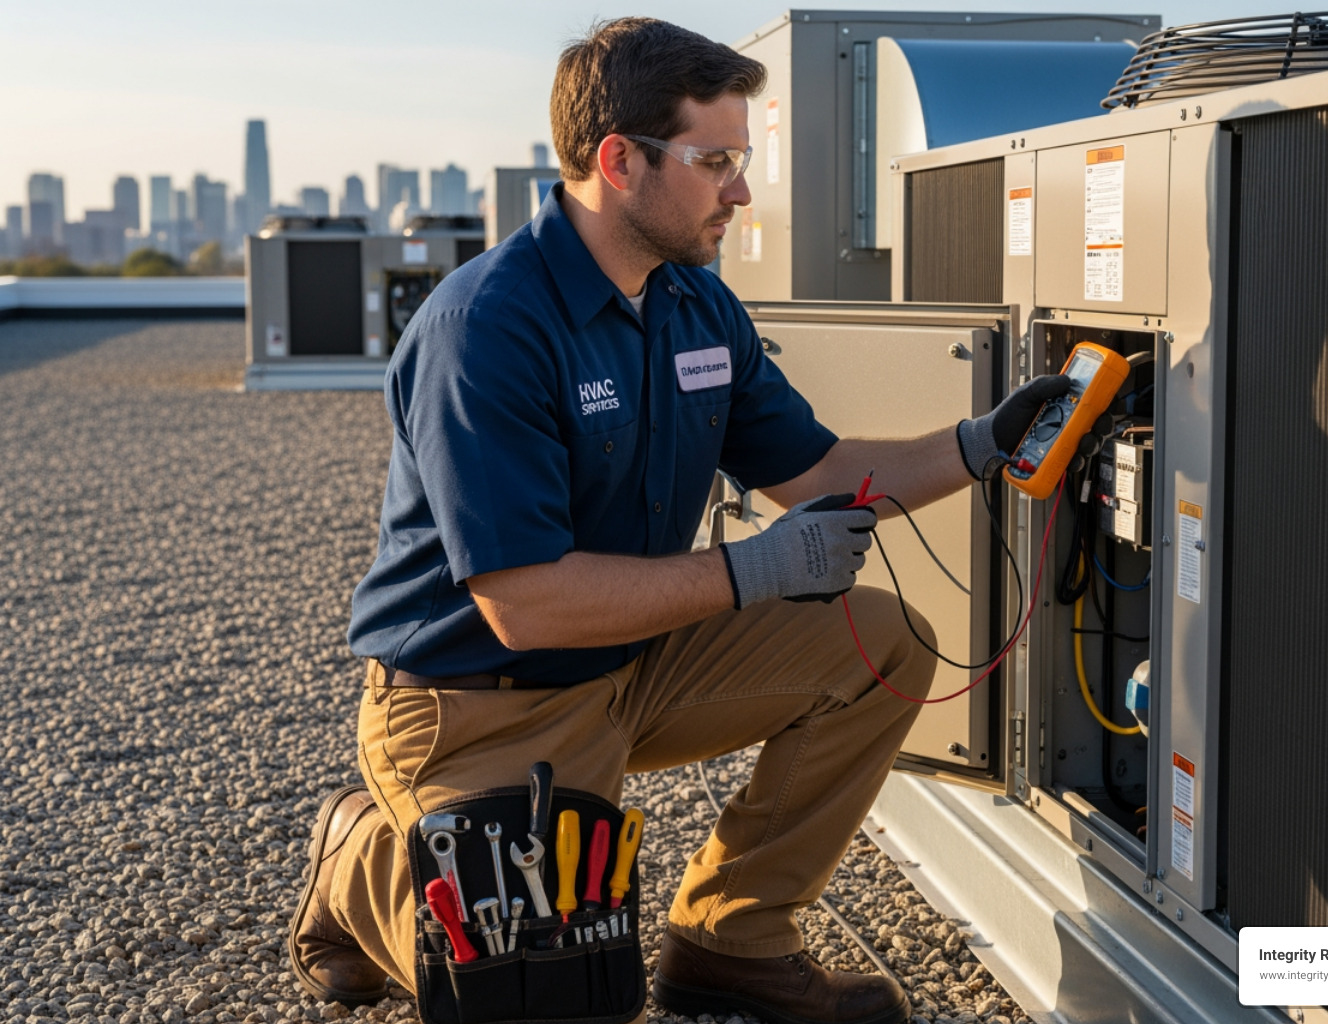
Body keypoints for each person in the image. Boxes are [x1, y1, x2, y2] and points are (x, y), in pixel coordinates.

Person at [287, 17, 1070, 1024]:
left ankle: (731, 942)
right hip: (476, 699)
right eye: (716, 162)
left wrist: (976, 445)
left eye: (739, 160)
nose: (741, 191)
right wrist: (755, 571)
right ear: (619, 161)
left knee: (879, 642)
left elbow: (821, 469)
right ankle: (358, 854)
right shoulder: (486, 328)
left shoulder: (697, 306)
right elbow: (525, 603)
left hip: (635, 660)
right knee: (548, 998)